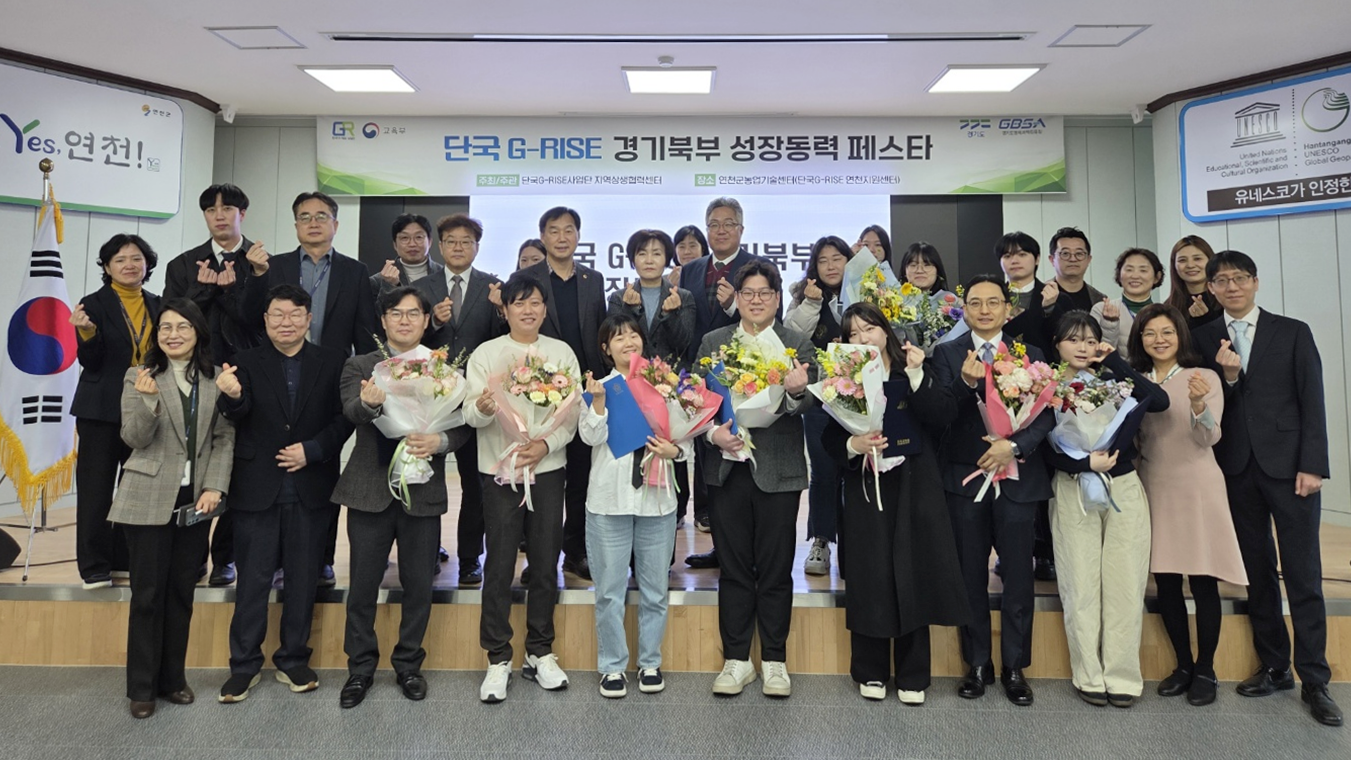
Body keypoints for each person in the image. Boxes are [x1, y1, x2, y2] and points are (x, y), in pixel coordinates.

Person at [1191, 250, 1342, 727]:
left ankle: (1315, 679)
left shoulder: (1292, 331)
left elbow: (1312, 399)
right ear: (1210, 289)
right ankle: (1275, 667)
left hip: (1291, 468)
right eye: (1221, 281)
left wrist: (1313, 465)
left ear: (1255, 282)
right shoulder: (1201, 337)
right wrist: (1230, 378)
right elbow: (1211, 405)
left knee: (1303, 574)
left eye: (1240, 278)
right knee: (1256, 573)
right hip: (1235, 468)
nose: (1231, 287)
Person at [332, 287, 472, 709]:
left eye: (414, 314)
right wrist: (369, 405)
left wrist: (439, 440)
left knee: (418, 585)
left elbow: (463, 425)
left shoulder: (442, 368)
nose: (405, 320)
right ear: (384, 320)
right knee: (362, 587)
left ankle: (409, 664)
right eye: (397, 313)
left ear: (427, 321)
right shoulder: (361, 365)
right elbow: (351, 413)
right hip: (369, 490)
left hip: (422, 490)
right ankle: (360, 669)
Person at [822, 302, 968, 704]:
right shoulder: (842, 380)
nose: (863, 338)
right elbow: (829, 438)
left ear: (886, 331)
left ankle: (913, 674)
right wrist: (853, 443)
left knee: (912, 570)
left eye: (869, 329)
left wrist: (918, 375)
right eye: (853, 333)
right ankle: (869, 670)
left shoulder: (913, 367)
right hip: (866, 484)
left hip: (914, 483)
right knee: (870, 573)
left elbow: (943, 414)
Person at [215, 284, 354, 704]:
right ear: (265, 320)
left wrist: (313, 450)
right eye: (277, 314)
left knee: (303, 580)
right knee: (253, 581)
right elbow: (237, 412)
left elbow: (344, 418)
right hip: (257, 486)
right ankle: (243, 665)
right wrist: (232, 397)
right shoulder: (244, 361)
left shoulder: (332, 361)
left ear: (309, 319)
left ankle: (293, 659)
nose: (286, 322)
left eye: (295, 315)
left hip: (311, 485)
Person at [241, 191, 379, 586]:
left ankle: (321, 558)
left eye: (321, 216)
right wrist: (255, 276)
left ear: (336, 224)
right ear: (295, 225)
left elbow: (364, 331)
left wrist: (365, 378)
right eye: (305, 216)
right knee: (274, 465)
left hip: (328, 377)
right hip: (277, 376)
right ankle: (276, 558)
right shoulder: (274, 265)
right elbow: (250, 318)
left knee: (322, 466)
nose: (313, 223)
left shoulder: (355, 271)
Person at [932, 274, 1055, 707]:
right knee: (970, 576)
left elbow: (1046, 414)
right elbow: (938, 414)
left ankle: (1015, 667)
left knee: (1019, 576)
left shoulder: (1029, 354)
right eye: (975, 303)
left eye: (993, 302)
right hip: (965, 480)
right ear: (964, 309)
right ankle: (978, 664)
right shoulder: (946, 353)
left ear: (1008, 309)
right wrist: (964, 386)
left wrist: (1013, 447)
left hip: (1018, 479)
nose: (984, 310)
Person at [110, 299, 233, 718]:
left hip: (195, 501)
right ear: (156, 334)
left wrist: (215, 486)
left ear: (198, 332)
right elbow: (133, 438)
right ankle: (142, 688)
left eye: (183, 326)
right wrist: (148, 404)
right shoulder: (139, 376)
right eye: (165, 327)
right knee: (147, 595)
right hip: (147, 497)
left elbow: (224, 438)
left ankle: (173, 680)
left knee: (182, 593)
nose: (173, 334)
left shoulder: (216, 379)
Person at [463, 273, 582, 703]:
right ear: (505, 309)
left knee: (546, 560)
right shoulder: (486, 354)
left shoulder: (561, 353)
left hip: (547, 469)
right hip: (500, 469)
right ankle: (497, 657)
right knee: (498, 562)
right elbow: (470, 415)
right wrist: (482, 407)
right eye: (518, 303)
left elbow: (573, 413)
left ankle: (539, 651)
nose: (527, 310)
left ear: (545, 309)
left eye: (535, 303)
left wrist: (545, 444)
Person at [698, 260, 815, 698]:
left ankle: (774, 661)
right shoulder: (714, 342)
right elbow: (695, 401)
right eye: (748, 292)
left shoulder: (795, 343)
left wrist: (797, 390)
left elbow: (811, 402)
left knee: (775, 569)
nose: (756, 300)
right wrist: (713, 433)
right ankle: (736, 660)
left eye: (765, 292)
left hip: (778, 472)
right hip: (727, 468)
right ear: (737, 297)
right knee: (733, 569)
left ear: (778, 298)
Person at [1043, 311, 1169, 708]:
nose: (1082, 347)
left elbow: (1160, 401)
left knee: (1125, 583)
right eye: (1073, 339)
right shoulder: (1042, 386)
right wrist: (1084, 463)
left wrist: (1114, 360)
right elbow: (1039, 447)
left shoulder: (1115, 379)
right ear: (1057, 345)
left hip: (1123, 486)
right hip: (1072, 487)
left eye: (1089, 339)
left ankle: (1123, 675)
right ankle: (1088, 674)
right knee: (1080, 583)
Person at [1128, 303, 1247, 707]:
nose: (1159, 340)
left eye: (1167, 332)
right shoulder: (1136, 381)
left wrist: (1198, 406)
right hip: (1154, 483)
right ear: (1139, 339)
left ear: (1180, 335)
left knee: (1202, 580)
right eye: (1149, 333)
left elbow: (1209, 438)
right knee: (1165, 581)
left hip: (1198, 486)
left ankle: (1206, 669)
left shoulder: (1204, 376)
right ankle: (1182, 665)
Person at [581, 314, 690, 698]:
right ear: (606, 348)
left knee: (655, 589)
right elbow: (590, 437)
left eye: (633, 335)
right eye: (618, 337)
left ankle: (649, 662)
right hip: (608, 501)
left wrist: (675, 451)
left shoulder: (665, 386)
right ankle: (612, 667)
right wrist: (597, 403)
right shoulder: (601, 388)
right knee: (609, 591)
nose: (628, 342)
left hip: (656, 502)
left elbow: (686, 442)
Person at [163, 183, 258, 588]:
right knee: (198, 462)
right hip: (195, 376)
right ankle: (192, 555)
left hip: (245, 376)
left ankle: (226, 558)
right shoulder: (183, 264)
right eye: (211, 210)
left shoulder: (261, 262)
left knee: (240, 466)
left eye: (227, 208)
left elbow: (261, 321)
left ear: (242, 214)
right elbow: (172, 319)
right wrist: (202, 289)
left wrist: (234, 286)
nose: (219, 216)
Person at [679, 197, 772, 569]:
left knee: (745, 468)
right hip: (702, 381)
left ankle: (750, 551)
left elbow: (770, 321)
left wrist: (735, 306)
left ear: (741, 229)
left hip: (745, 382)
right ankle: (721, 546)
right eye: (714, 224)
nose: (721, 230)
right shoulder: (690, 269)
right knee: (710, 468)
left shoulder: (759, 268)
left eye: (728, 223)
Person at [517, 207, 607, 581]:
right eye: (554, 231)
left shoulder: (593, 279)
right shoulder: (525, 279)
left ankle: (575, 553)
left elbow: (600, 334)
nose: (562, 237)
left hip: (583, 391)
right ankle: (539, 560)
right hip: (540, 392)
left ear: (578, 236)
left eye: (569, 230)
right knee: (542, 479)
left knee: (581, 478)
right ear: (543, 236)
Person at [416, 213, 506, 587]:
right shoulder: (422, 287)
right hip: (429, 399)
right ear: (440, 246)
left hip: (474, 398)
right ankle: (425, 552)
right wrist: (433, 323)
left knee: (475, 483)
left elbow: (503, 340)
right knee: (424, 479)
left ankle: (470, 559)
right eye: (451, 241)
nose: (458, 247)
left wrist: (501, 310)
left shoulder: (493, 287)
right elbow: (407, 338)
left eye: (466, 241)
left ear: (477, 247)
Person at [69, 233, 161, 590]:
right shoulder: (92, 305)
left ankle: (123, 558)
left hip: (144, 407)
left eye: (136, 258)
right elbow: (90, 362)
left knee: (134, 487)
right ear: (107, 267)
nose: (129, 265)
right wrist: (87, 334)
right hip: (101, 410)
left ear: (147, 265)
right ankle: (93, 566)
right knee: (96, 489)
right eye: (120, 259)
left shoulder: (158, 304)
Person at [785, 235, 853, 576]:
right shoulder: (803, 294)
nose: (830, 266)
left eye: (837, 258)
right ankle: (821, 540)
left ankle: (854, 545)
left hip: (859, 395)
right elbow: (792, 336)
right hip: (818, 396)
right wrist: (812, 303)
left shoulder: (866, 291)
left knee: (854, 471)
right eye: (823, 260)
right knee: (824, 470)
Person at [606, 229, 695, 365]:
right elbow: (617, 342)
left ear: (666, 259)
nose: (649, 261)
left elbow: (683, 344)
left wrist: (670, 315)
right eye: (642, 254)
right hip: (631, 372)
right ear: (633, 259)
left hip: (672, 375)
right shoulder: (618, 298)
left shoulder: (684, 297)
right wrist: (631, 309)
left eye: (656, 254)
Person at [1089, 248, 1165, 361]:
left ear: (1157, 277)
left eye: (1143, 270)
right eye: (1129, 270)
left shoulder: (1166, 313)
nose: (1135, 276)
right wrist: (1110, 323)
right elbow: (1097, 355)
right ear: (1119, 274)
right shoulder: (1101, 309)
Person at [371, 213, 443, 299]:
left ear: (430, 242)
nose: (412, 244)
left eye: (419, 237)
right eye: (404, 238)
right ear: (395, 245)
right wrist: (389, 286)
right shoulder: (377, 281)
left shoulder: (444, 276)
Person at [1165, 235, 1224, 329]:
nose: (1190, 265)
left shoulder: (1225, 300)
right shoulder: (1169, 307)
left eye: (1197, 259)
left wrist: (1205, 319)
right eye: (1182, 260)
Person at [670, 224, 709, 288]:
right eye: (682, 247)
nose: (687, 252)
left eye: (692, 246)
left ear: (703, 249)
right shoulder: (665, 281)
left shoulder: (713, 276)